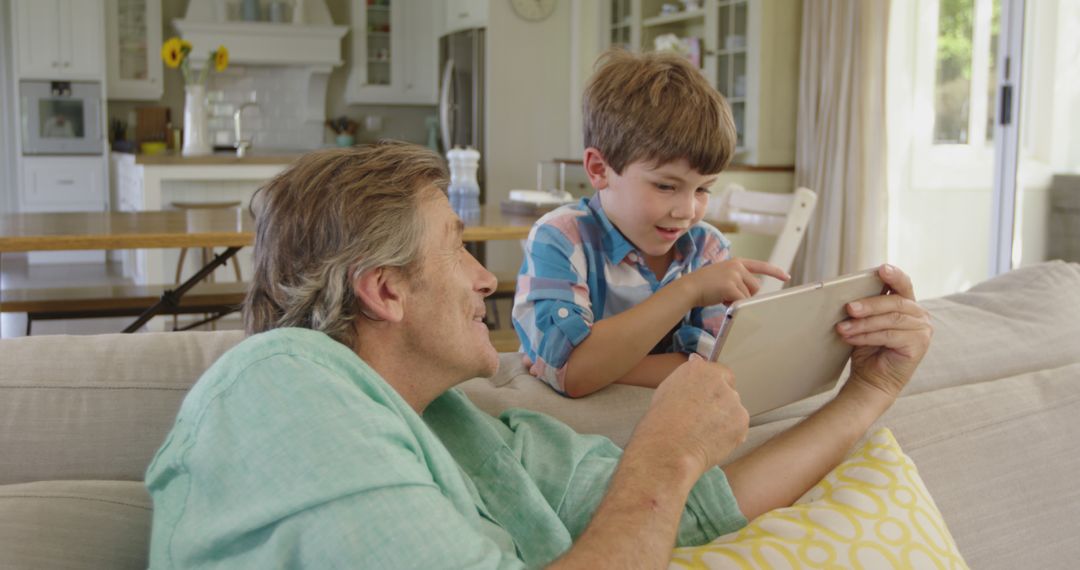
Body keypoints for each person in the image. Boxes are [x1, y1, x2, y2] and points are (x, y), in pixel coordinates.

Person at [145, 141, 932, 569]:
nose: (487, 280)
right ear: (385, 291)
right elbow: (662, 493)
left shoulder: (467, 431)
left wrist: (865, 394)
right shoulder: (283, 386)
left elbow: (698, 514)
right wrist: (660, 458)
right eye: (458, 248)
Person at [512, 49, 791, 397]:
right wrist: (689, 291)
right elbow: (573, 374)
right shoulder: (561, 237)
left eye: (703, 189)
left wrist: (595, 365)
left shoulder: (707, 248)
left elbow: (724, 368)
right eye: (665, 186)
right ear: (600, 169)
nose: (687, 211)